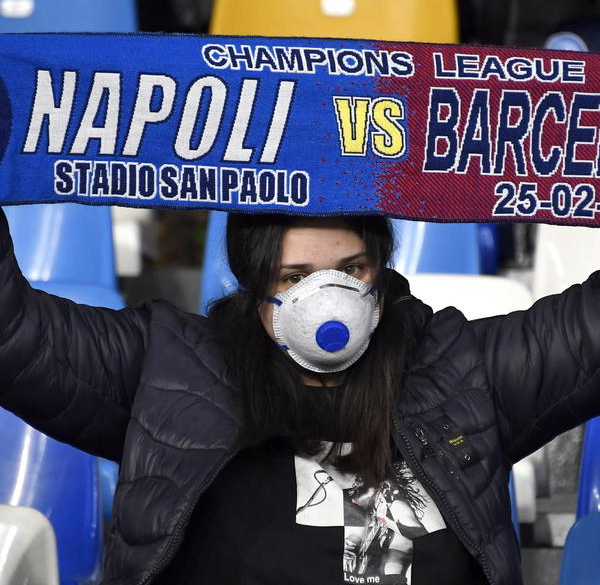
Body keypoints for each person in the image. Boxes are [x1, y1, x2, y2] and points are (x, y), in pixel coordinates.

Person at [1, 208, 600, 585]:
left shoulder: (464, 369)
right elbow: (14, 335)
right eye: (295, 277)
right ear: (252, 280)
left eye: (352, 269)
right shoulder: (165, 367)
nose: (328, 299)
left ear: (381, 273)